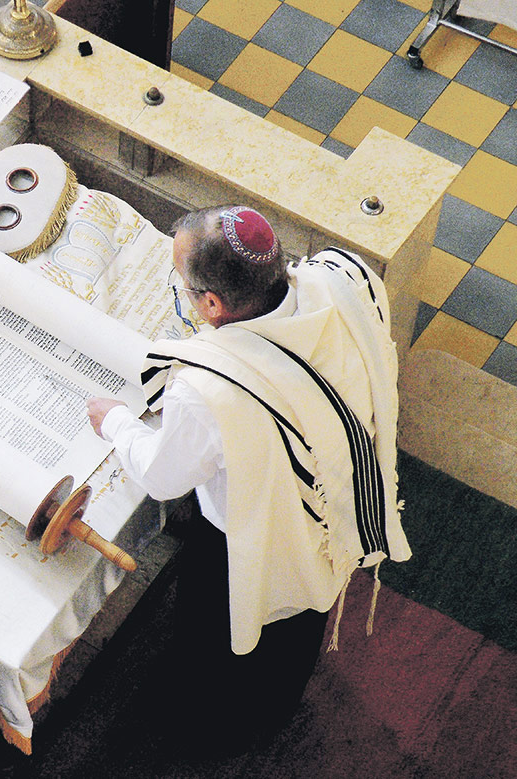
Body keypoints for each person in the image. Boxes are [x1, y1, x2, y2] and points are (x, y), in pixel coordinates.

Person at [86, 205, 411, 756]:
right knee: (300, 619)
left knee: (222, 639)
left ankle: (215, 733)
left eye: (184, 287)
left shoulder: (210, 388)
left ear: (212, 304)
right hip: (338, 499)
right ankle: (278, 703)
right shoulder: (347, 276)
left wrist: (115, 420)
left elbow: (163, 476)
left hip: (246, 542)